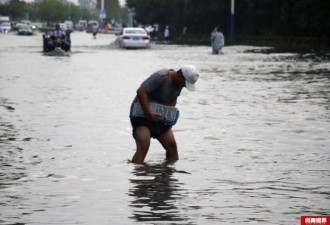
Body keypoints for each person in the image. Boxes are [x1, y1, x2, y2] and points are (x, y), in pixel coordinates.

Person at [129, 65, 199, 164]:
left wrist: (169, 119)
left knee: (172, 146)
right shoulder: (160, 77)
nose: (184, 86)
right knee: (144, 145)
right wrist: (149, 113)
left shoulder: (179, 83)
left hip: (160, 117)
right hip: (142, 116)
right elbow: (141, 91)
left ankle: (167, 175)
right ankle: (138, 177)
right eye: (184, 83)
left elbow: (173, 99)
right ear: (179, 76)